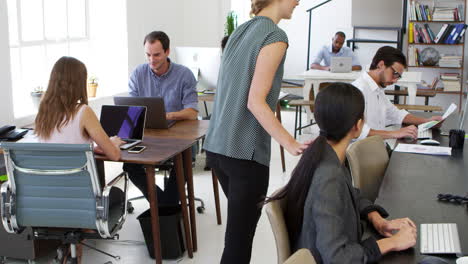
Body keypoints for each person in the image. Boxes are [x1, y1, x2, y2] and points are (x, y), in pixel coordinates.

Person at [203, 0, 312, 263]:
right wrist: (291, 143)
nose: (298, 1)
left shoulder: (240, 30)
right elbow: (255, 101)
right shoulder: (275, 35)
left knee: (237, 238)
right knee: (238, 247)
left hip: (218, 149)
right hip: (245, 155)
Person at [267, 83, 417, 263]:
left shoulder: (326, 154)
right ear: (358, 125)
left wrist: (377, 219)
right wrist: (392, 243)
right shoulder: (328, 176)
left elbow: (350, 195)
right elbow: (337, 257)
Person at [124, 31, 198, 205]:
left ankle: (165, 207)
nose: (151, 60)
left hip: (178, 137)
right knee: (129, 165)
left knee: (183, 163)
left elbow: (192, 112)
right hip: (147, 136)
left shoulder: (184, 74)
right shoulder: (138, 74)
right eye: (148, 55)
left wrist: (168, 116)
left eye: (156, 54)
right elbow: (132, 110)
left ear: (167, 52)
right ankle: (162, 204)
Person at [35, 56, 124, 160]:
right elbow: (115, 155)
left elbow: (62, 145)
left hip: (50, 174)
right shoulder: (83, 111)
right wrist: (114, 143)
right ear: (79, 84)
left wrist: (89, 148)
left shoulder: (44, 109)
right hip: (77, 175)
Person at [352, 46, 443, 140]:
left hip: (377, 147)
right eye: (395, 74)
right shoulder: (358, 90)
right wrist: (395, 133)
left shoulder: (377, 89)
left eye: (398, 77)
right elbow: (356, 131)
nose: (395, 81)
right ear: (381, 65)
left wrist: (426, 121)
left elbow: (396, 114)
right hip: (364, 151)